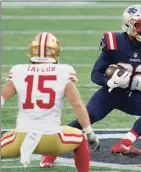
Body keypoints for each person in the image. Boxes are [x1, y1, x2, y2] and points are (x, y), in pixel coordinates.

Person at [42, 4, 141, 166]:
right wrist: (109, 81)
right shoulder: (114, 42)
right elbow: (95, 74)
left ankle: (125, 143)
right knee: (85, 119)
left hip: (134, 96)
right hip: (110, 94)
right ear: (129, 25)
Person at [1, 32, 100, 172]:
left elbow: (2, 98)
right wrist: (89, 131)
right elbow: (77, 104)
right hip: (52, 139)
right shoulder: (64, 71)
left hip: (21, 138)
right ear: (55, 53)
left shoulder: (19, 70)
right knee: (80, 138)